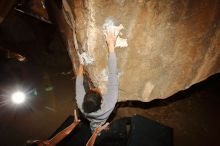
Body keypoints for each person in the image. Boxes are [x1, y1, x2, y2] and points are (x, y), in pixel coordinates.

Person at [75, 26, 121, 132]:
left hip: (94, 119)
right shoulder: (110, 103)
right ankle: (98, 129)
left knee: (94, 124)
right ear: (101, 101)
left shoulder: (82, 106)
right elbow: (113, 73)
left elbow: (79, 83)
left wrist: (81, 63)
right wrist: (111, 45)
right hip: (103, 118)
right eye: (97, 91)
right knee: (99, 123)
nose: (96, 88)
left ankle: (96, 129)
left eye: (92, 90)